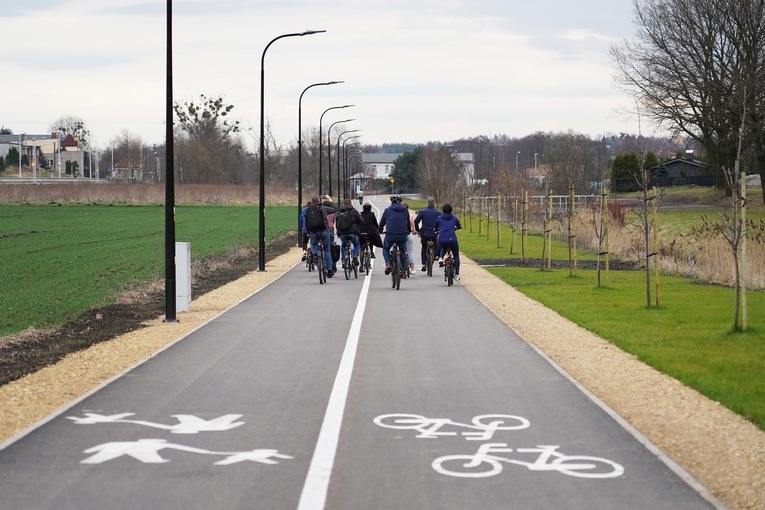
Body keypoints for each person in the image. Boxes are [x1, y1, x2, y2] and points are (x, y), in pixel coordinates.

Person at [378, 194, 411, 278]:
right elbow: (407, 222)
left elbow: (382, 223)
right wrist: (408, 231)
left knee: (385, 248)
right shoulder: (405, 210)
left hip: (390, 235)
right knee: (403, 251)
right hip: (402, 235)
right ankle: (404, 271)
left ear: (391, 201)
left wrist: (380, 230)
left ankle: (388, 264)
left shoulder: (387, 210)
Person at [305, 195, 337, 278]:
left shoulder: (307, 210)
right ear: (319, 201)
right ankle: (330, 270)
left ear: (312, 202)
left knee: (313, 244)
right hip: (323, 231)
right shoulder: (323, 208)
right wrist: (330, 200)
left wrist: (309, 232)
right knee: (327, 249)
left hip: (313, 232)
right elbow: (335, 209)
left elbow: (306, 223)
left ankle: (315, 254)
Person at [434, 203, 462, 281]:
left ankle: (440, 258)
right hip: (452, 239)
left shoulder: (439, 218)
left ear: (443, 210)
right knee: (456, 256)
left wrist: (436, 230)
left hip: (442, 238)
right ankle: (457, 275)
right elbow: (459, 225)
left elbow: (435, 227)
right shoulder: (454, 218)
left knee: (444, 247)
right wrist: (459, 227)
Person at [335, 198, 364, 267]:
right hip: (353, 232)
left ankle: (343, 260)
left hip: (342, 233)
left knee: (343, 245)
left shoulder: (339, 211)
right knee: (357, 244)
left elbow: (337, 223)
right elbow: (361, 221)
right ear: (350, 203)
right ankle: (355, 256)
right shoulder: (354, 211)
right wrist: (358, 228)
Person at [414, 197, 441, 272]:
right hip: (434, 232)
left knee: (424, 247)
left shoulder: (423, 212)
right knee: (435, 241)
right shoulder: (438, 213)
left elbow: (416, 222)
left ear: (427, 204)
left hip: (425, 233)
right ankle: (436, 255)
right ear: (434, 204)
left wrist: (418, 230)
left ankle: (423, 263)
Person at [404, 202, 417, 276]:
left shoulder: (400, 215)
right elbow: (412, 224)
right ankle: (412, 269)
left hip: (401, 235)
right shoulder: (410, 215)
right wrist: (414, 231)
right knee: (410, 252)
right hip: (409, 234)